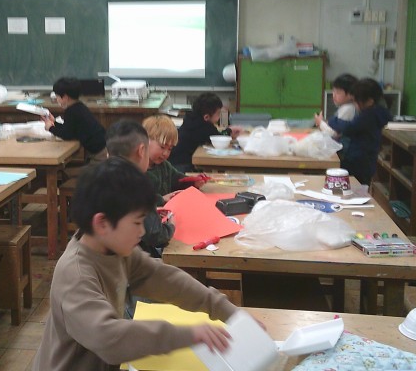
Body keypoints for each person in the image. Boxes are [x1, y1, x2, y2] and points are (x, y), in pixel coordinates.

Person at [32, 157, 257, 371]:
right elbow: (110, 339)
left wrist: (228, 311)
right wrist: (189, 335)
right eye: (137, 222)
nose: (141, 232)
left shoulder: (116, 250)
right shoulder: (76, 274)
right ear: (102, 223)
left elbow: (165, 279)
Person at [106, 119, 174, 258]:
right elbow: (155, 234)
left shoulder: (101, 177)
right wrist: (172, 226)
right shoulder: (138, 186)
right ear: (142, 151)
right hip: (129, 259)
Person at [326, 78, 391, 184]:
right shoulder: (380, 112)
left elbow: (348, 128)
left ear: (369, 101)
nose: (355, 104)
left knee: (355, 184)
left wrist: (333, 120)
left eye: (356, 101)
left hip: (360, 160)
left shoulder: (368, 116)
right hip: (365, 157)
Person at [169, 92, 244, 172]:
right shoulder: (203, 126)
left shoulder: (191, 119)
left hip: (174, 161)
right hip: (182, 166)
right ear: (206, 117)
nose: (219, 116)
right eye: (218, 113)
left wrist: (228, 131)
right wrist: (230, 131)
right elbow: (218, 137)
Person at [41, 77, 107, 167]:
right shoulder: (78, 106)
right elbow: (69, 129)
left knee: (91, 174)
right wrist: (54, 122)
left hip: (98, 154)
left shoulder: (71, 112)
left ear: (65, 97)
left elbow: (67, 135)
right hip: (99, 147)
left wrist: (50, 128)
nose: (56, 99)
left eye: (57, 96)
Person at [142, 114, 204, 207]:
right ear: (145, 141)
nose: (166, 153)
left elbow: (177, 180)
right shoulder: (136, 170)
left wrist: (193, 182)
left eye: (170, 149)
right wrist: (162, 199)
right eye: (162, 147)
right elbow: (137, 199)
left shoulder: (164, 166)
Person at [314, 73, 358, 155]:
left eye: (338, 92)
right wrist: (323, 122)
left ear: (350, 95)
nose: (333, 95)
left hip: (343, 152)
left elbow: (333, 134)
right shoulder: (347, 107)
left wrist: (320, 123)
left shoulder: (348, 109)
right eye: (333, 91)